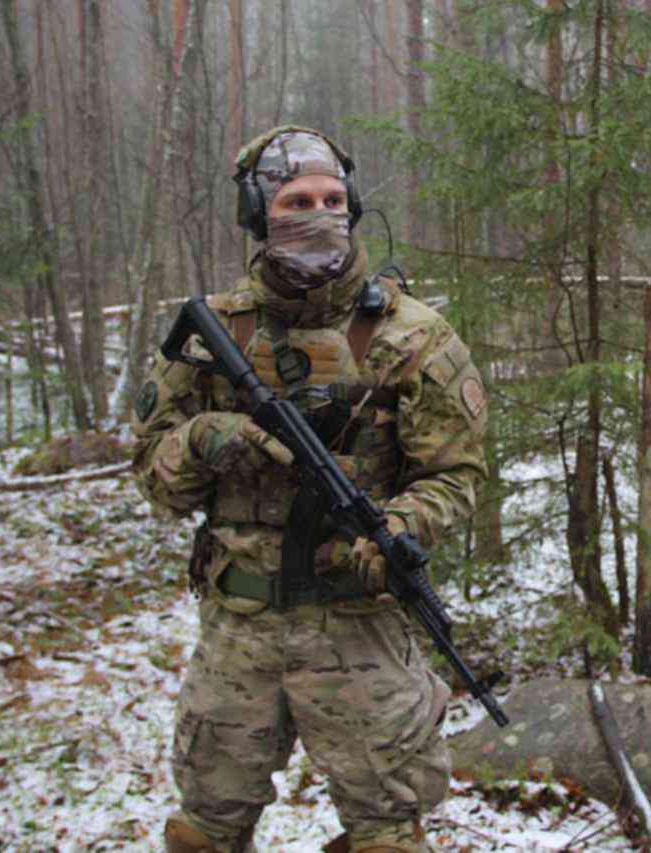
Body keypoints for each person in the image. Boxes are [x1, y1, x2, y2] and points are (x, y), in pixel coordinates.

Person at [130, 126, 489, 853]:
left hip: (359, 630)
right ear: (259, 214)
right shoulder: (212, 334)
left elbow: (455, 474)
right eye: (297, 200)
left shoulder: (412, 336)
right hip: (239, 631)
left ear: (354, 203)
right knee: (203, 832)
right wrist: (204, 440)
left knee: (388, 836)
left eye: (332, 198)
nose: (319, 214)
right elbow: (154, 480)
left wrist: (402, 526)